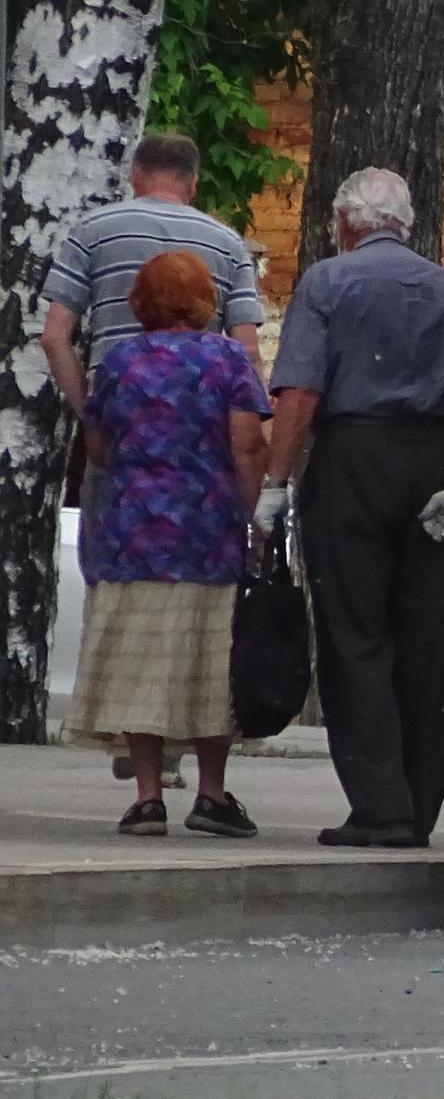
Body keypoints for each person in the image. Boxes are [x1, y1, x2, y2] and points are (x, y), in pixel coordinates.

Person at [260, 169, 444, 849]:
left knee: (354, 633)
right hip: (430, 459)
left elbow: (301, 395)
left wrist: (274, 483)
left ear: (346, 224)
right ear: (404, 223)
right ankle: (419, 804)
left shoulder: (328, 284)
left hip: (353, 461)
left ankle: (380, 805)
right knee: (423, 638)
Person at [40, 131, 266, 790]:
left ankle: (138, 744)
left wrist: (90, 415)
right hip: (206, 456)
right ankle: (204, 778)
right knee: (205, 614)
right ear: (193, 182)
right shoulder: (225, 245)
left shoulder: (91, 232)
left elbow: (55, 334)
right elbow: (248, 350)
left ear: (135, 174)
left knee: (125, 591)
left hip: (124, 438)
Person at [60, 251, 271, 838]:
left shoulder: (120, 362)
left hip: (132, 536)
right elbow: (248, 446)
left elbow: (98, 448)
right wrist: (254, 515)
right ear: (206, 299)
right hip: (207, 535)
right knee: (208, 664)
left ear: (140, 302)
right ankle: (211, 794)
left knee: (141, 665)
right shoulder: (228, 358)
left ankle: (148, 799)